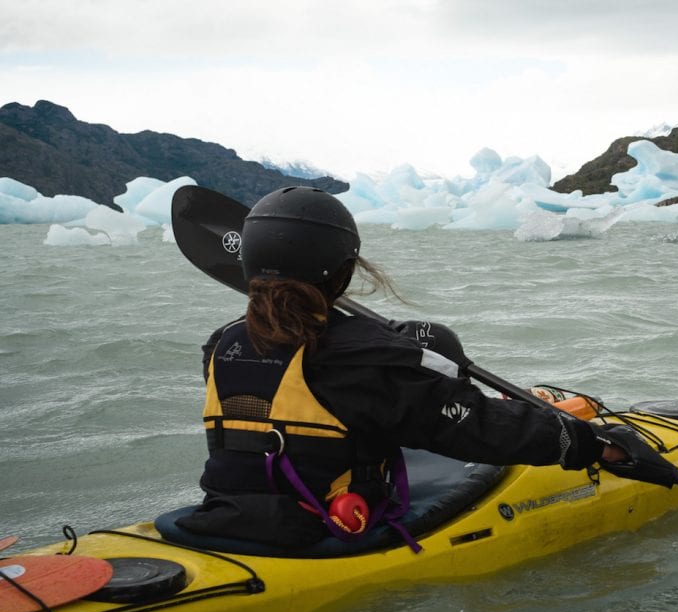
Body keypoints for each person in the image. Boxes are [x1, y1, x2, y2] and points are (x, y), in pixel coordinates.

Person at [178, 186, 630, 549]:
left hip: (223, 512)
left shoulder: (222, 344)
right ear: (344, 271)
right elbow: (480, 428)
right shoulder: (365, 358)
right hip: (322, 529)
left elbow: (311, 380)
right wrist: (591, 445)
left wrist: (395, 343)